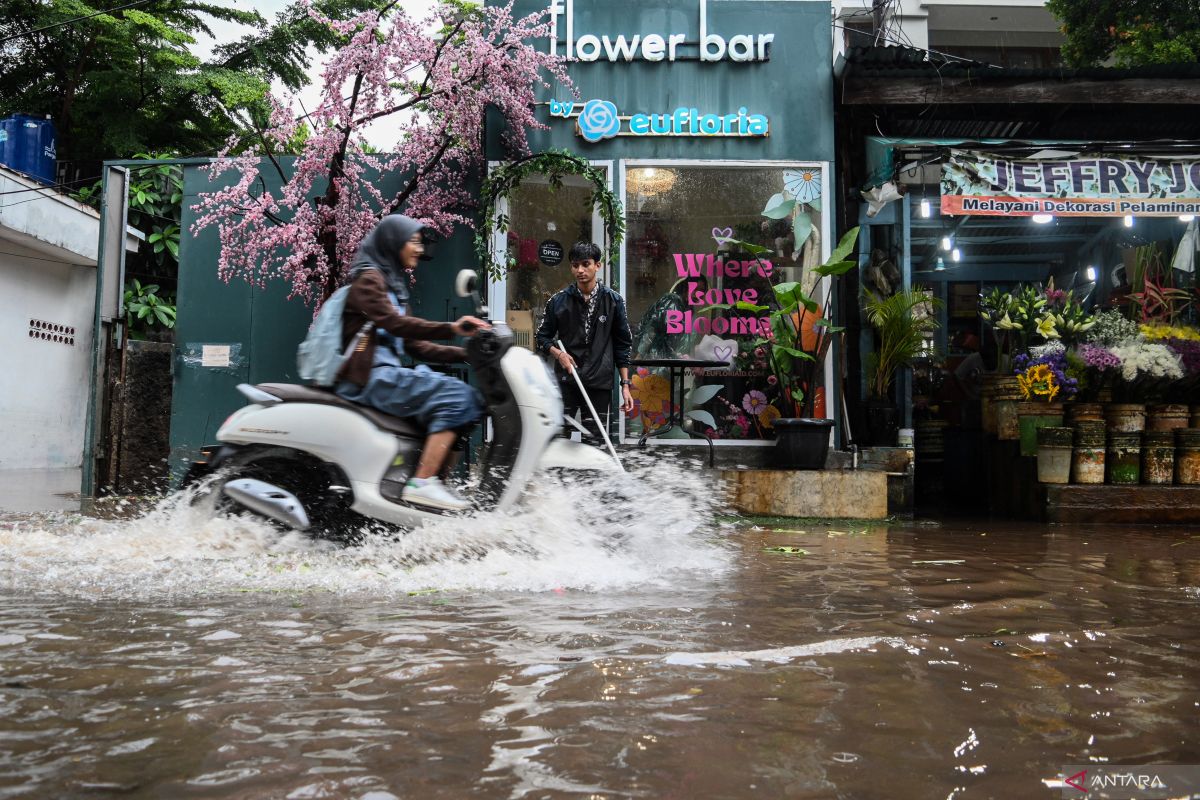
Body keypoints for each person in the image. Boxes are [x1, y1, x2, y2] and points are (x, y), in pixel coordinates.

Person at [335, 215, 489, 512]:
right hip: (369, 379)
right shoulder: (368, 280)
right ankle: (423, 483)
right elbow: (395, 324)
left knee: (469, 401)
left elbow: (415, 346)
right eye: (414, 242)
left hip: (386, 375)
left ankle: (434, 490)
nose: (420, 250)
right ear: (393, 243)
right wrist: (452, 329)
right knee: (457, 397)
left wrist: (469, 355)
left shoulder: (392, 285)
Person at [534, 241, 635, 441]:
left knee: (595, 439)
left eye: (585, 264)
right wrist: (559, 354)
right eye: (575, 265)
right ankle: (562, 473)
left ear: (597, 265)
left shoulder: (613, 301)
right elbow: (542, 337)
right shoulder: (558, 301)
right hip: (567, 381)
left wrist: (625, 385)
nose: (580, 270)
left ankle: (591, 473)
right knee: (559, 437)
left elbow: (623, 345)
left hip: (599, 382)